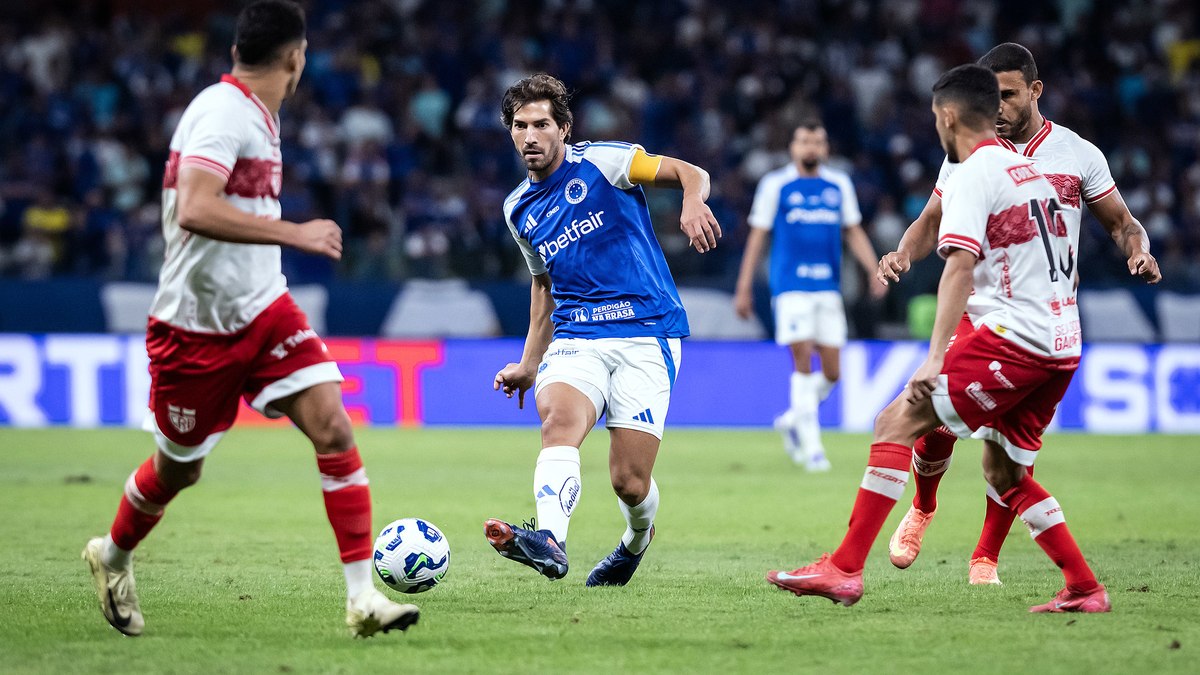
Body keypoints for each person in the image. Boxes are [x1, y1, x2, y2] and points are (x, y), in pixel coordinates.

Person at [767, 63, 1161, 612]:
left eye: (935, 118)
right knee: (1006, 471)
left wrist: (933, 358)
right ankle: (1084, 587)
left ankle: (845, 568)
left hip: (1014, 337)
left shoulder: (976, 173)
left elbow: (959, 265)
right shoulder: (1025, 170)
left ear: (948, 116)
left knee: (895, 420)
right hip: (1062, 340)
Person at [81, 0, 418, 638]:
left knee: (334, 429)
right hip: (193, 330)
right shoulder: (221, 113)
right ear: (296, 57)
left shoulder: (260, 116)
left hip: (264, 310)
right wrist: (295, 232)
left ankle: (361, 599)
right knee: (180, 467)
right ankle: (113, 555)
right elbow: (195, 210)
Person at [877, 43, 1163, 586]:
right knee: (933, 425)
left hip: (1043, 321)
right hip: (981, 311)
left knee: (1010, 450)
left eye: (1008, 94)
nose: (999, 106)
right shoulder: (969, 152)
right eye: (991, 96)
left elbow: (1123, 222)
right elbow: (932, 220)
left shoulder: (1077, 154)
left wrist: (1138, 250)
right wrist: (901, 253)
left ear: (1035, 91)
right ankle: (923, 507)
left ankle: (986, 555)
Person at [486, 73, 721, 586]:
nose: (531, 135)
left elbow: (690, 170)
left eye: (542, 124)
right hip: (577, 338)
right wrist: (529, 364)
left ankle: (636, 541)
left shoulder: (604, 162)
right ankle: (550, 539)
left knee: (630, 484)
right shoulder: (517, 208)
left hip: (646, 331)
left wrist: (692, 200)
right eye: (520, 126)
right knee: (559, 423)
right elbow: (543, 286)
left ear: (564, 128)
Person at [733, 119, 886, 470]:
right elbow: (758, 236)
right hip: (790, 287)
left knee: (832, 372)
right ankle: (813, 450)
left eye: (817, 141)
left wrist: (873, 268)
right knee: (802, 360)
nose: (811, 148)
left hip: (828, 288)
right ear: (793, 148)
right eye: (804, 141)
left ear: (826, 148)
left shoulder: (838, 185)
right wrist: (743, 287)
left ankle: (792, 420)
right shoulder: (776, 185)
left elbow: (853, 231)